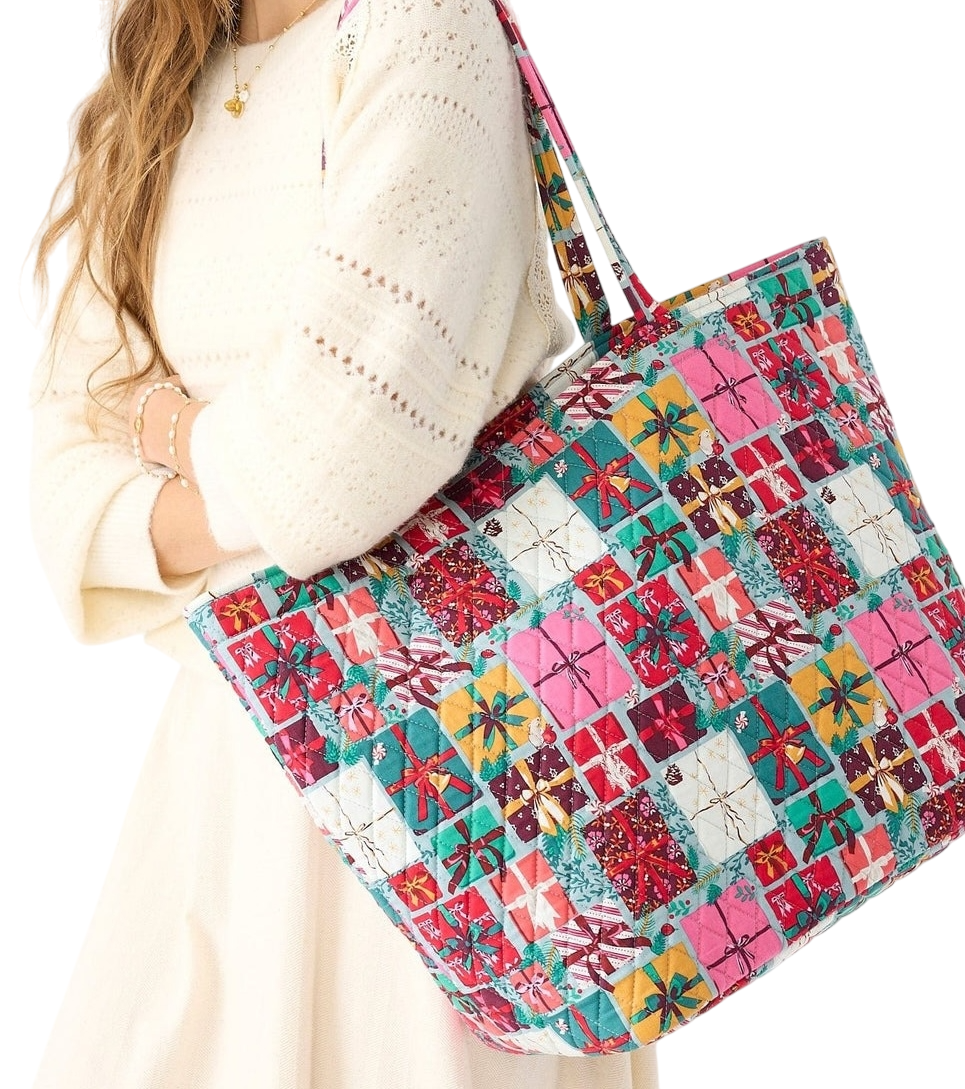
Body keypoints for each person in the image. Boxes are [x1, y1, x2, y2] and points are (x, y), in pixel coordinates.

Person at [28, 1, 658, 1086]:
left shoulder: (424, 29)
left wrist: (168, 431)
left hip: (455, 789)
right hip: (228, 776)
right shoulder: (159, 78)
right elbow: (62, 481)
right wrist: (253, 468)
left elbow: (322, 471)